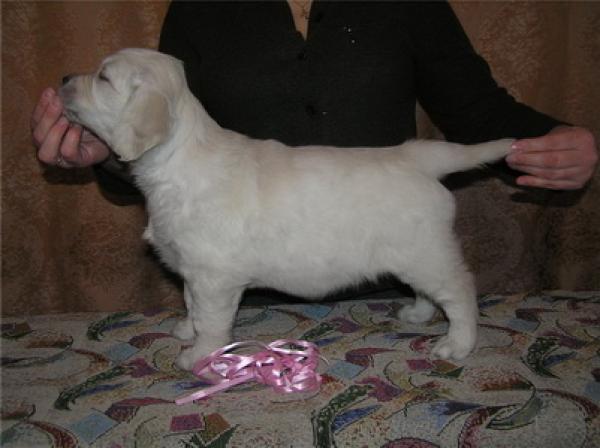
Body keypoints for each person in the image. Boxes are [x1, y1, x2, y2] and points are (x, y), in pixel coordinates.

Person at [32, 1, 597, 193]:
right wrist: (106, 149)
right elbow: (169, 147)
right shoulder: (199, 8)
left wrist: (555, 142)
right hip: (248, 292)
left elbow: (480, 116)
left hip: (386, 283)